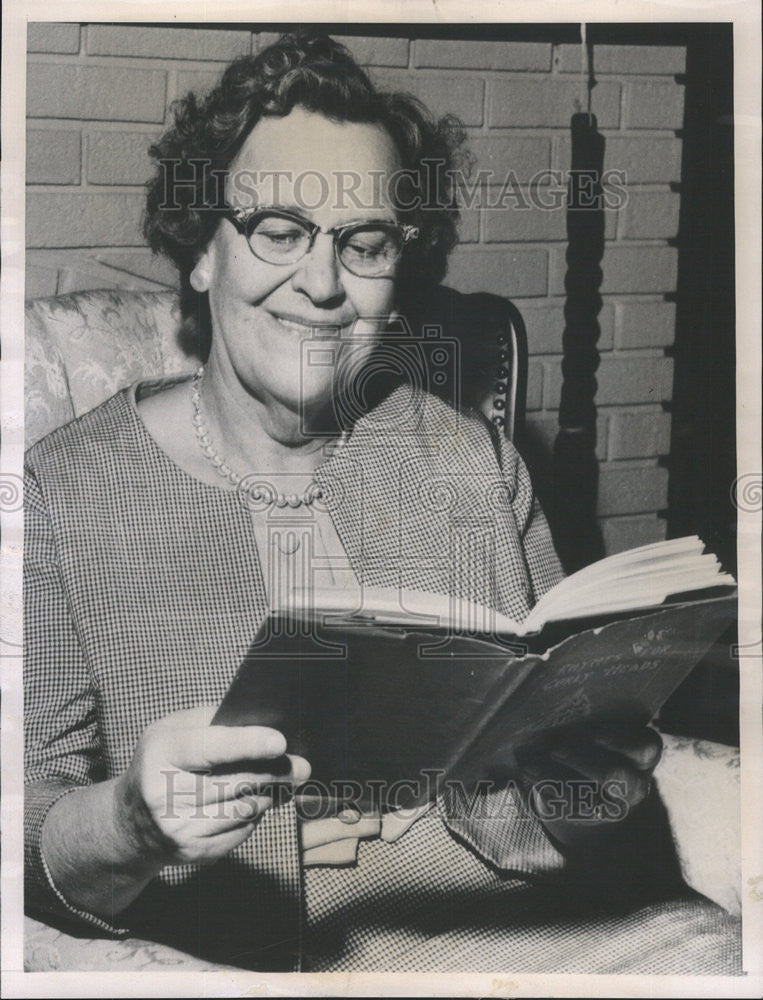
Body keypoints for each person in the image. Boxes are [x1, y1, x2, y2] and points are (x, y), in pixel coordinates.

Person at [24, 31, 739, 973]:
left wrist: (588, 803)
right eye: (277, 230)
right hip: (230, 961)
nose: (321, 285)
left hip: (511, 936)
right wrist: (130, 821)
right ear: (202, 251)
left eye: (363, 244)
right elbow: (25, 827)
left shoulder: (468, 462)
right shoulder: (65, 491)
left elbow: (533, 806)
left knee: (711, 954)